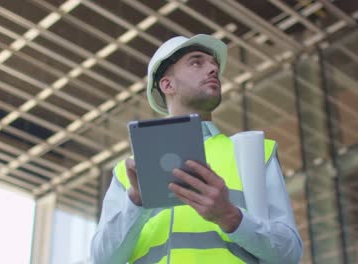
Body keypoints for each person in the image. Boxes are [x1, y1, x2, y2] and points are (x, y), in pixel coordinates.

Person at [90, 34, 303, 264]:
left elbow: (289, 254)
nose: (213, 69)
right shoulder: (130, 171)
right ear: (167, 84)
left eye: (214, 65)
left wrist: (229, 216)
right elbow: (102, 260)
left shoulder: (255, 153)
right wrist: (137, 202)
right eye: (197, 62)